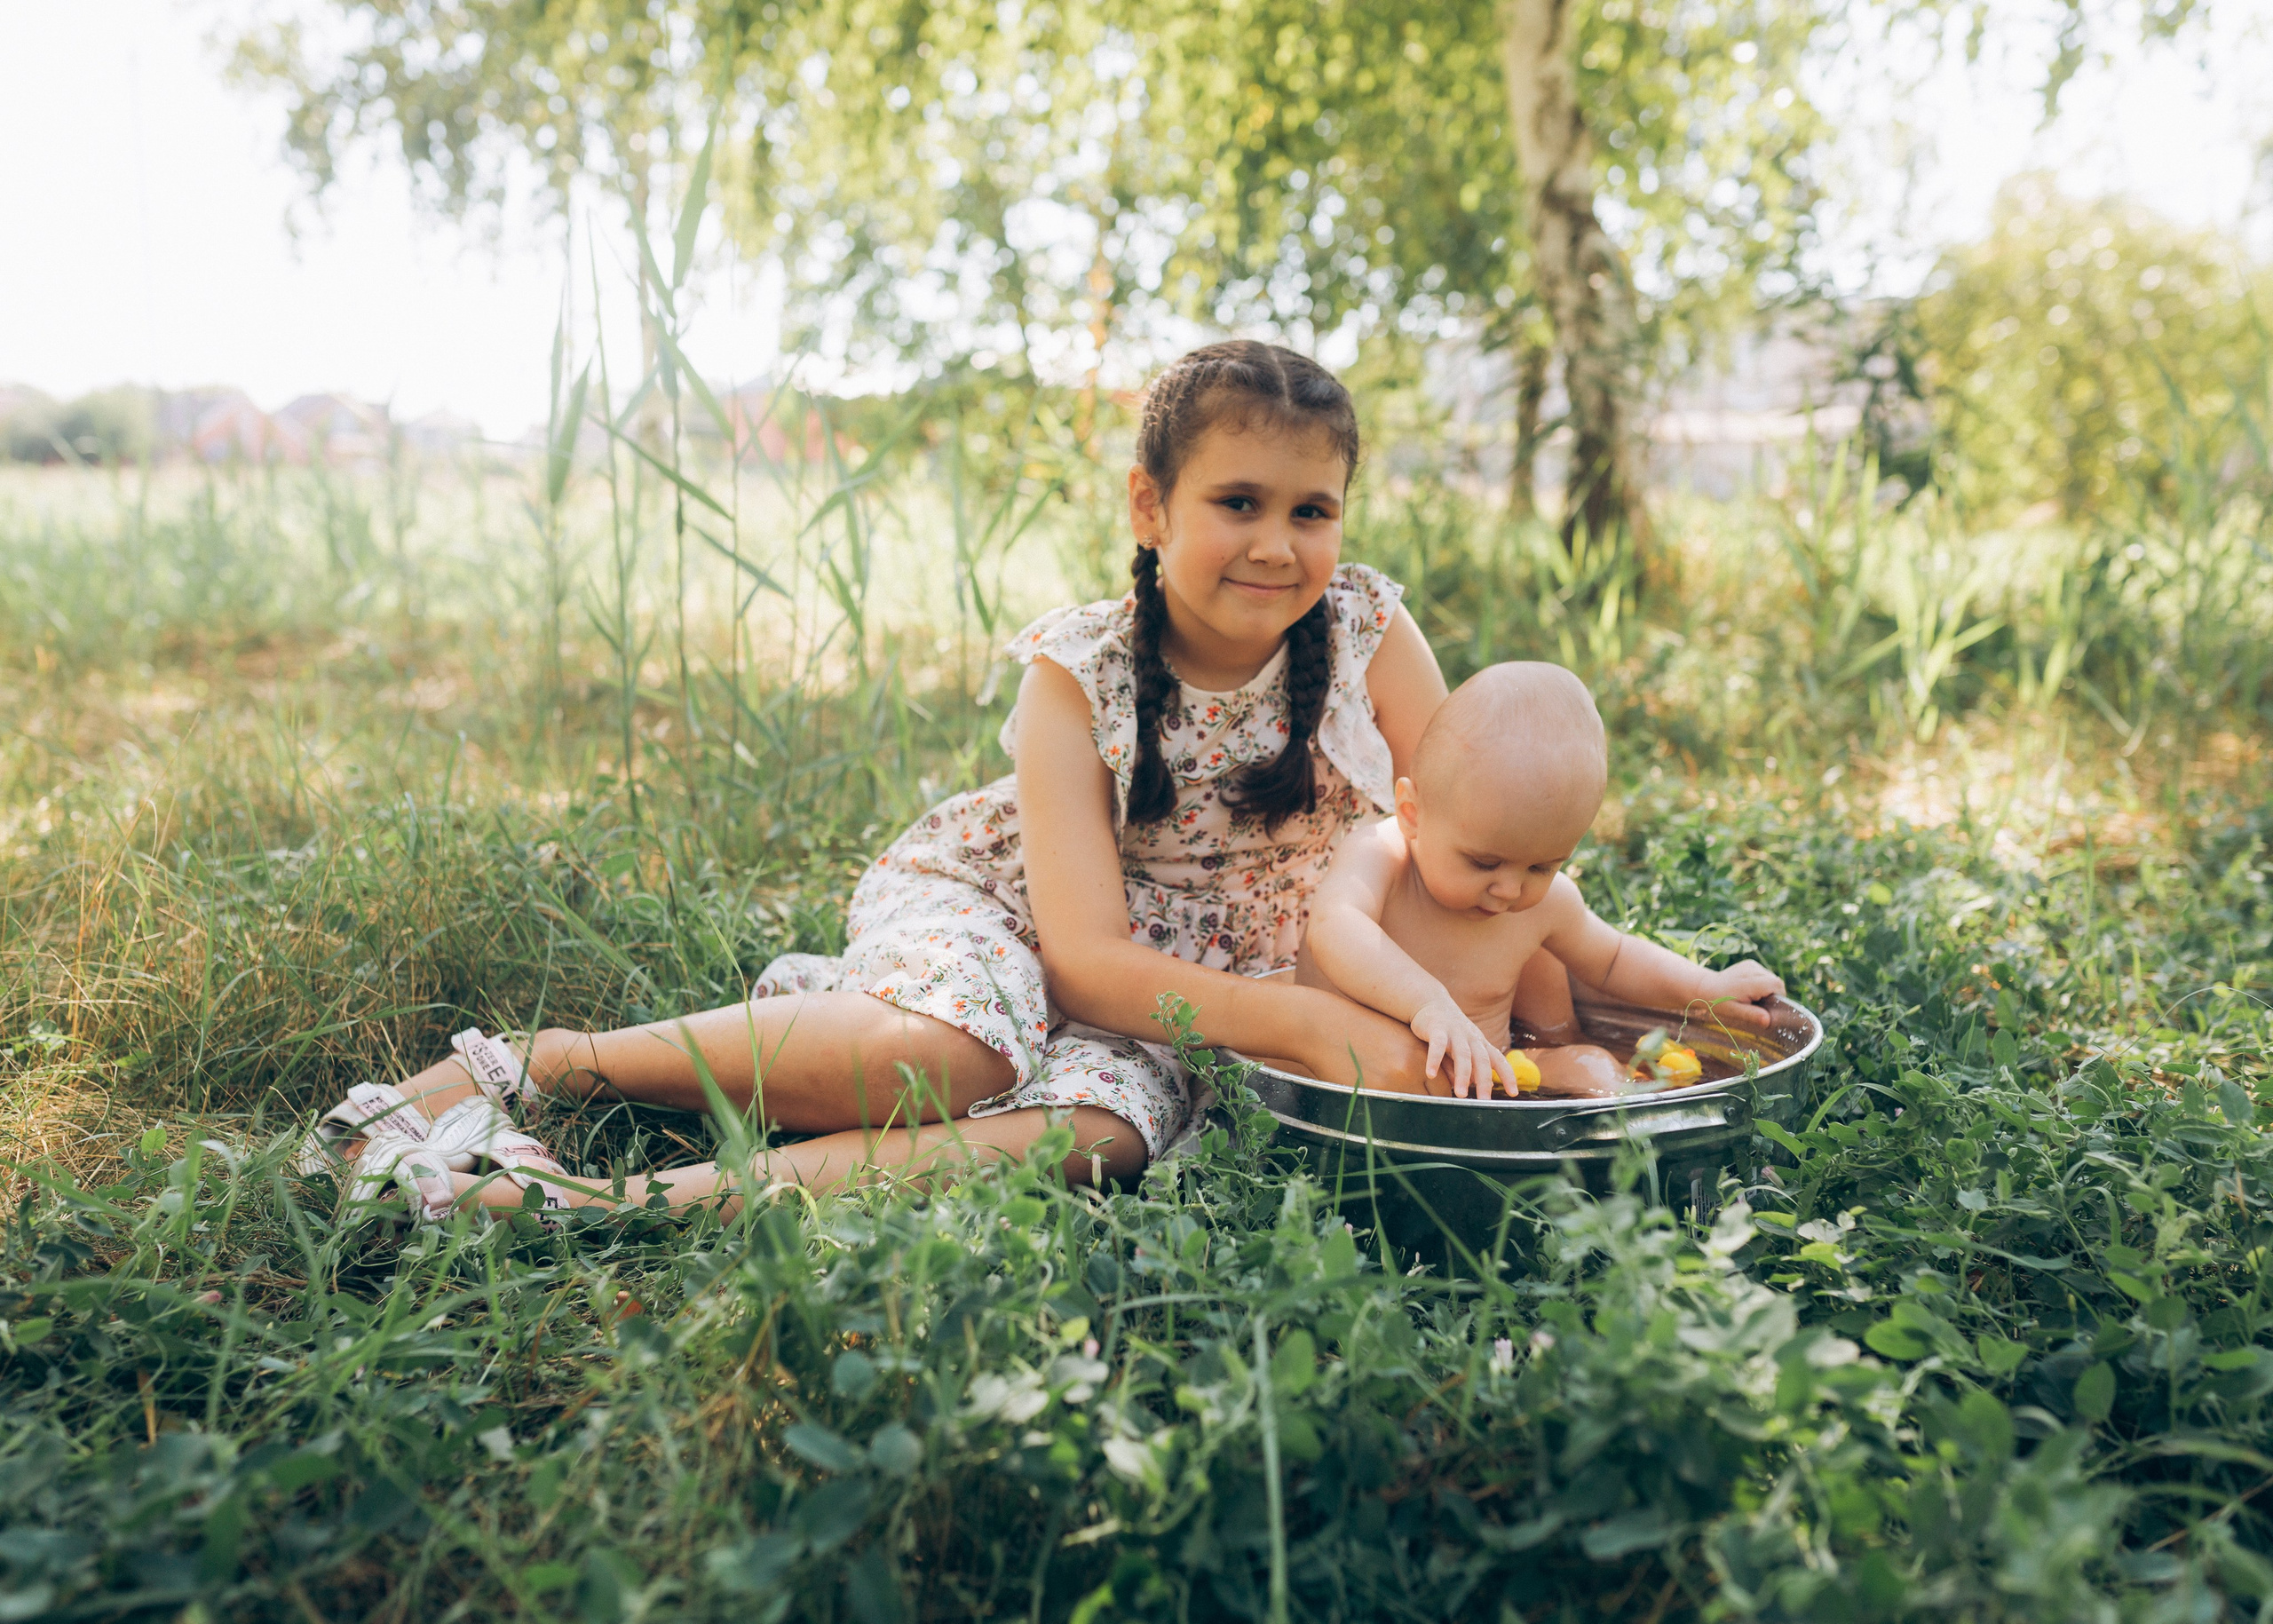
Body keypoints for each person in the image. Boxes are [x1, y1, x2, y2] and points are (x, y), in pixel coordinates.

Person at [305, 339, 1560, 1222]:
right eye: (1239, 501)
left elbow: (1469, 844)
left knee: (1100, 1140)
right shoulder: (1079, 673)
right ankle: (542, 1063)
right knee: (955, 1054)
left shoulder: (1372, 631)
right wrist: (1301, 1020)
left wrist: (1588, 997)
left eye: (1314, 509)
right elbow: (1087, 960)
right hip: (1020, 917)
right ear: (1150, 503)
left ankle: (609, 1203)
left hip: (1214, 983)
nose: (1280, 544)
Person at [1296, 661, 1786, 1100]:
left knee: (1591, 1066)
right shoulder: (1380, 858)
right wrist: (1425, 1002)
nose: (1510, 891)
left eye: (1541, 868)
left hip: (1500, 1082)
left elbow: (1613, 960)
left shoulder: (1546, 905)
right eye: (1483, 863)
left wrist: (1706, 986)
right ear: (1412, 815)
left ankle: (1642, 1139)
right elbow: (1335, 928)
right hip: (1357, 1084)